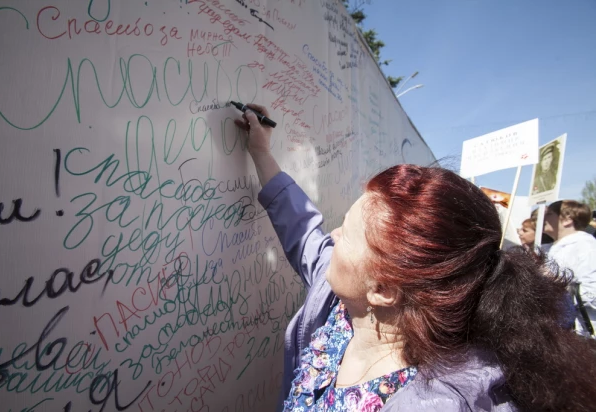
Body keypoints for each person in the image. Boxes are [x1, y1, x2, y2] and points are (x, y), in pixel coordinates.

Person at [235, 104, 596, 411]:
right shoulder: (340, 307)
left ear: (383, 288)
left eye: (345, 232)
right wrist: (261, 152)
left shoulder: (441, 401)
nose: (332, 237)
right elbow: (303, 231)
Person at [544, 200, 596, 334]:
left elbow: (593, 293)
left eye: (549, 214)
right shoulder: (552, 248)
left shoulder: (586, 246)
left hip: (583, 333)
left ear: (567, 220)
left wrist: (558, 285)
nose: (543, 219)